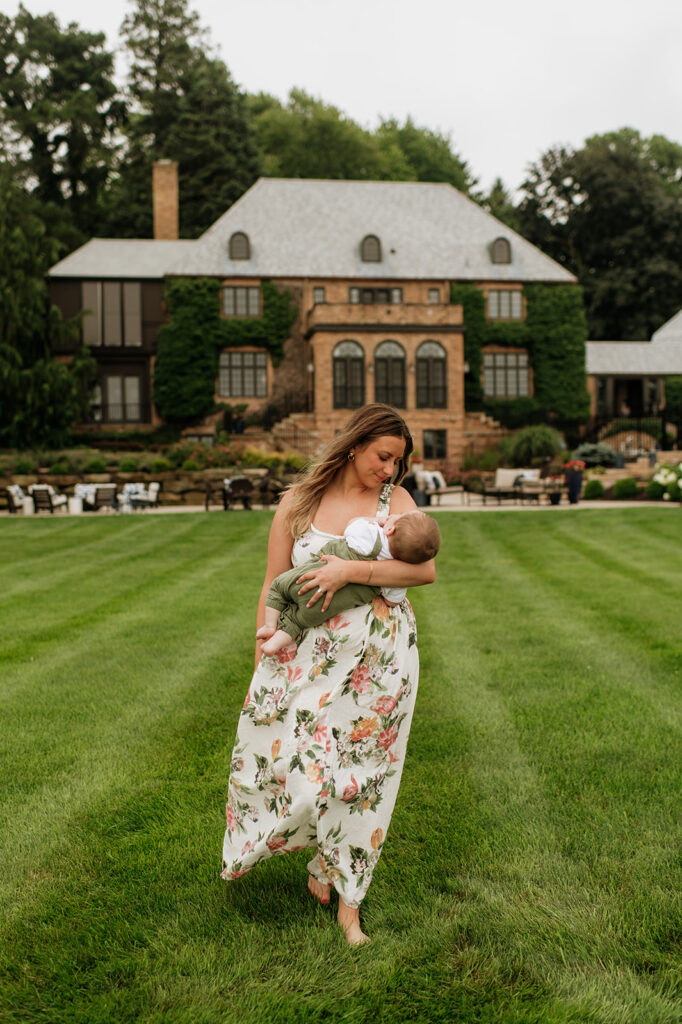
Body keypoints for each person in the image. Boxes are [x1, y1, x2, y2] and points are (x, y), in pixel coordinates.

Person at [221, 404, 436, 945]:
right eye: (383, 457)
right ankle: (319, 850)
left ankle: (349, 902)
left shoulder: (397, 502)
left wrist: (351, 570)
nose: (389, 470)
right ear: (355, 444)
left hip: (381, 659)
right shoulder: (297, 504)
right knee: (295, 762)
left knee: (363, 777)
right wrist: (260, 664)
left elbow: (424, 568)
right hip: (306, 657)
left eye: (398, 462)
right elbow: (272, 581)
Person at [256, 510, 441, 655]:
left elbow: (352, 525)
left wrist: (376, 521)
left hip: (308, 579)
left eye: (397, 517)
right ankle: (275, 643)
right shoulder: (396, 579)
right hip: (323, 607)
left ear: (390, 529)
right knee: (296, 620)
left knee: (278, 588)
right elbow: (392, 601)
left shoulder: (370, 536)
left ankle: (270, 626)